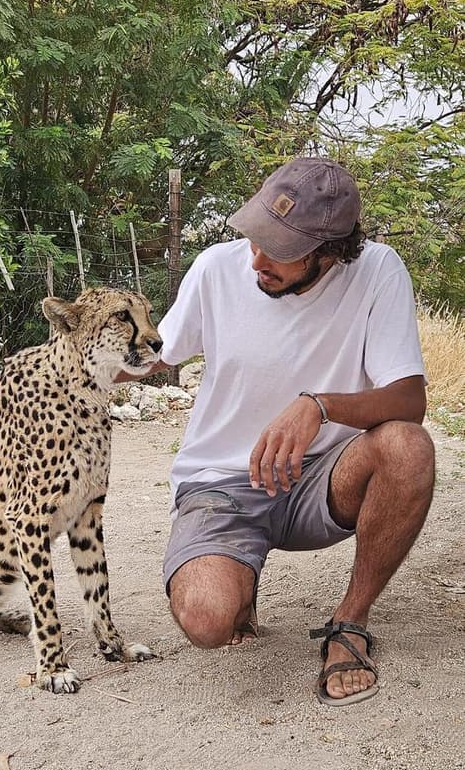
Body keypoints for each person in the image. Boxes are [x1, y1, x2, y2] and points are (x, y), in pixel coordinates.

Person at [144, 155, 434, 706]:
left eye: (279, 250)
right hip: (221, 481)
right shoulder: (214, 268)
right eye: (256, 237)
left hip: (320, 480)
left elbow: (409, 400)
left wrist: (319, 406)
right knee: (208, 621)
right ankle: (238, 576)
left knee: (407, 445)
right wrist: (36, 369)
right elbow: (152, 355)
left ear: (330, 253)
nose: (257, 259)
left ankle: (349, 623)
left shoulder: (378, 271)